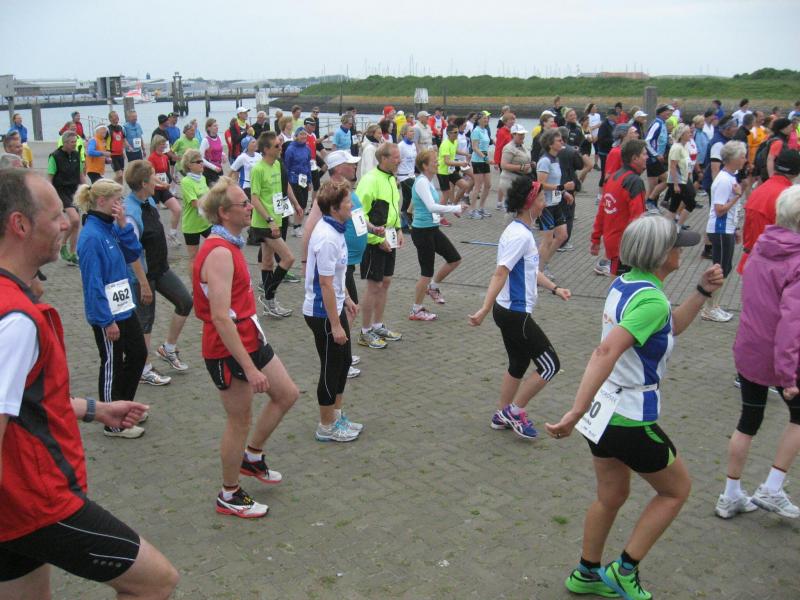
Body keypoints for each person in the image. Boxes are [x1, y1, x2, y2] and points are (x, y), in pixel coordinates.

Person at [0, 168, 179, 599]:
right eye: (56, 216)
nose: (67, 223)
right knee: (156, 581)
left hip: (15, 508)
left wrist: (97, 409)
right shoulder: (16, 319)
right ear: (20, 225)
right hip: (36, 502)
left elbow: (26, 403)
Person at [546, 213, 721, 600]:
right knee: (677, 490)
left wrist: (701, 292)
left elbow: (667, 326)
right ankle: (625, 570)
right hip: (629, 417)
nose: (681, 252)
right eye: (676, 246)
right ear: (660, 254)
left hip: (604, 414)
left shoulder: (626, 284)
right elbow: (606, 350)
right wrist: (575, 410)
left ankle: (587, 573)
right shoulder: (652, 299)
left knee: (610, 496)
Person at [193, 176, 299, 518]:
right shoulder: (219, 253)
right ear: (225, 213)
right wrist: (250, 369)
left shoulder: (232, 245)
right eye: (244, 204)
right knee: (239, 420)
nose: (251, 207)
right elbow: (219, 317)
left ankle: (252, 457)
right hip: (227, 348)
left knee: (287, 394)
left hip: (251, 335)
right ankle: (229, 493)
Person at [715, 186, 800, 520]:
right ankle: (772, 487)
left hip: (749, 348)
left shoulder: (761, 248)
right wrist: (788, 376)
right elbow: (792, 324)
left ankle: (730, 494)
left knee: (749, 420)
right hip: (781, 356)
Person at [468, 178, 570, 438]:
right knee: (550, 365)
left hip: (509, 311)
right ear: (528, 203)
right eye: (540, 199)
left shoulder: (520, 231)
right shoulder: (519, 236)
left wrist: (555, 289)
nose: (544, 203)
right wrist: (483, 308)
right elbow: (500, 272)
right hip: (514, 314)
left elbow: (530, 270)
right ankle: (514, 411)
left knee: (519, 362)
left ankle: (501, 414)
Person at [75, 178, 148, 439]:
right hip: (108, 314)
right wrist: (106, 321)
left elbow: (134, 253)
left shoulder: (111, 227)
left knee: (138, 353)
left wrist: (123, 225)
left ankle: (124, 407)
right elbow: (92, 283)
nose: (121, 205)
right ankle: (112, 422)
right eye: (117, 200)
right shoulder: (91, 236)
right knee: (112, 363)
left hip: (124, 306)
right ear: (102, 201)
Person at [302, 149, 374, 370]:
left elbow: (358, 216)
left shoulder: (347, 191)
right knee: (346, 310)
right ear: (339, 168)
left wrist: (373, 230)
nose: (355, 167)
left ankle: (344, 356)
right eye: (350, 164)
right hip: (337, 263)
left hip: (347, 260)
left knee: (349, 308)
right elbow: (309, 228)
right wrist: (305, 263)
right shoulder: (329, 195)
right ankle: (341, 357)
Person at [303, 180, 362, 442]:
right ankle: (326, 426)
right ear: (335, 208)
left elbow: (338, 275)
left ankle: (336, 416)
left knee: (344, 362)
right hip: (322, 313)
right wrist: (335, 324)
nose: (351, 205)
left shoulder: (337, 230)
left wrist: (346, 298)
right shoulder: (327, 237)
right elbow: (325, 284)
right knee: (331, 367)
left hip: (334, 307)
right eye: (348, 202)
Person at [124, 160, 193, 385]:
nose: (158, 180)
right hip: (142, 276)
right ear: (144, 183)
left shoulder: (149, 201)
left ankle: (168, 348)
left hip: (160, 269)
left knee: (185, 301)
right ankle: (143, 369)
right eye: (154, 176)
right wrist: (143, 284)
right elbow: (132, 253)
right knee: (145, 321)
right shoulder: (131, 212)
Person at [249, 132, 302, 318]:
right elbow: (254, 199)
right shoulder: (258, 169)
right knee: (288, 258)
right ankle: (268, 296)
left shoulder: (278, 164)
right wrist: (270, 221)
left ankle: (269, 304)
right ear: (266, 149)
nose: (281, 148)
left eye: (280, 145)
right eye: (277, 146)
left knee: (268, 262)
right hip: (264, 223)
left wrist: (295, 204)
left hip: (277, 218)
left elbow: (284, 186)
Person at [356, 143, 403, 348]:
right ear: (383, 158)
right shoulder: (370, 180)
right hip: (373, 241)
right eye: (395, 157)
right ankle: (365, 331)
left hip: (389, 237)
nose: (399, 160)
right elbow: (359, 214)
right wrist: (376, 239)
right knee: (373, 286)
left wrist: (399, 229)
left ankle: (378, 325)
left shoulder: (391, 178)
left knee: (385, 282)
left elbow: (394, 208)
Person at [409, 149, 465, 321]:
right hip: (422, 232)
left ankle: (433, 287)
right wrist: (455, 208)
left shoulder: (428, 181)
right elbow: (431, 206)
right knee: (426, 273)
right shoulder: (421, 182)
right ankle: (416, 310)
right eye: (434, 161)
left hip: (432, 229)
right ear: (425, 165)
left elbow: (417, 206)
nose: (438, 163)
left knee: (454, 259)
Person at [701, 141, 746, 322]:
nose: (744, 160)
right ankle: (708, 308)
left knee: (725, 268)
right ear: (733, 158)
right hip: (719, 229)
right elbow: (719, 209)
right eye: (742, 156)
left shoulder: (731, 177)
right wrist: (738, 196)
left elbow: (731, 209)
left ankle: (714, 305)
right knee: (719, 269)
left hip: (727, 228)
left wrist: (736, 228)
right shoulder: (724, 180)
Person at [737, 149, 800, 273]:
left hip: (751, 260)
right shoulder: (789, 197)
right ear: (796, 173)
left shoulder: (759, 190)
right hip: (772, 264)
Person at [591, 140, 648, 277]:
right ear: (634, 158)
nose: (647, 157)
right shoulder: (634, 182)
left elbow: (602, 212)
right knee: (621, 284)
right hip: (625, 246)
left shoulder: (613, 177)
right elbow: (638, 218)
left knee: (618, 281)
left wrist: (596, 239)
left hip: (613, 242)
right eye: (644, 154)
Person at [536, 129, 575, 280]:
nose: (562, 142)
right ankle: (537, 271)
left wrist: (564, 193)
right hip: (545, 205)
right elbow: (540, 184)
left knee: (562, 236)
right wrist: (563, 187)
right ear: (550, 144)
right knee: (547, 240)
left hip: (556, 202)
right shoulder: (545, 161)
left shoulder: (555, 159)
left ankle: (542, 264)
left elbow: (555, 182)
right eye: (559, 140)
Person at [48, 131, 84, 266]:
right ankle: (63, 244)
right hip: (61, 191)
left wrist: (87, 189)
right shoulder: (55, 156)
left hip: (74, 190)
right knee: (74, 219)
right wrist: (50, 194)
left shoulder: (76, 155)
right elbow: (50, 177)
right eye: (72, 142)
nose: (74, 144)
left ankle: (73, 253)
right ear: (65, 143)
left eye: (75, 142)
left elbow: (81, 175)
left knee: (76, 224)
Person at [180, 149, 212, 276]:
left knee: (216, 249)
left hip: (206, 223)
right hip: (191, 225)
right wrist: (212, 204)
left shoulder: (203, 178)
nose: (201, 164)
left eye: (202, 161)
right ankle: (195, 285)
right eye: (198, 162)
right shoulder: (186, 181)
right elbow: (194, 203)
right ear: (189, 165)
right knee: (193, 257)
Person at [147, 135, 181, 246]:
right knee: (155, 216)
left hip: (164, 188)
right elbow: (151, 176)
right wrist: (162, 184)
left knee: (177, 209)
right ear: (156, 145)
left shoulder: (165, 157)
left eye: (164, 144)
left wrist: (173, 179)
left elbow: (166, 172)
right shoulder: (151, 158)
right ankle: (154, 238)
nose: (163, 146)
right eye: (161, 144)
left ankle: (172, 234)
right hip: (154, 190)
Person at [664, 124, 697, 229]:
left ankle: (667, 228)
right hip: (678, 181)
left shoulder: (684, 146)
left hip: (684, 179)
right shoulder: (676, 148)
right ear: (681, 135)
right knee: (691, 203)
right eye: (688, 132)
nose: (690, 134)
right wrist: (675, 184)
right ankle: (678, 226)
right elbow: (673, 166)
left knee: (674, 206)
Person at [437, 124, 473, 216]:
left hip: (451, 171)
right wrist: (461, 163)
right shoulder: (445, 144)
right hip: (442, 172)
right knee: (446, 194)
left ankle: (454, 206)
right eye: (455, 132)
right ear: (449, 133)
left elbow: (455, 151)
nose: (457, 134)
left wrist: (466, 154)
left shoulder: (455, 141)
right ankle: (439, 217)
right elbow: (447, 161)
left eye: (458, 132)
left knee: (465, 186)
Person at [644, 105, 673, 208]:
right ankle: (650, 201)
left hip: (656, 158)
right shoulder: (657, 123)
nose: (669, 113)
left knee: (652, 187)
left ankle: (645, 208)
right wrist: (655, 154)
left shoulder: (662, 123)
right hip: (653, 159)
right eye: (667, 111)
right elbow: (647, 141)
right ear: (661, 112)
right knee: (668, 180)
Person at [499, 124, 533, 201]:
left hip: (521, 180)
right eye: (520, 134)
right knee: (512, 205)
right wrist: (521, 167)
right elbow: (503, 165)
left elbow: (524, 159)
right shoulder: (509, 148)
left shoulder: (523, 146)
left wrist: (531, 164)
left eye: (523, 134)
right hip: (510, 180)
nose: (522, 136)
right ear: (513, 135)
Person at [468, 112, 492, 219]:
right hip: (477, 160)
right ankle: (472, 210)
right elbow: (474, 148)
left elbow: (486, 146)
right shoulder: (476, 131)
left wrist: (487, 157)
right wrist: (485, 157)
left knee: (488, 185)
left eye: (487, 118)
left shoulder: (485, 130)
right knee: (478, 186)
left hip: (484, 159)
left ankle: (481, 208)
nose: (486, 120)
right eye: (484, 118)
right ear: (478, 120)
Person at [397, 123, 417, 230]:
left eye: (413, 131)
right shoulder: (400, 146)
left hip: (412, 175)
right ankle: (408, 216)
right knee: (417, 193)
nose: (413, 133)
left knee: (407, 199)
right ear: (404, 133)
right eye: (411, 131)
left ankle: (404, 223)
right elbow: (396, 161)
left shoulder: (413, 145)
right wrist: (395, 177)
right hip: (403, 176)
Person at [493, 112, 515, 209]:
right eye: (511, 119)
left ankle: (501, 202)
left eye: (514, 119)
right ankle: (501, 202)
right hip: (504, 160)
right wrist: (496, 161)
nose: (513, 121)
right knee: (505, 181)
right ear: (505, 121)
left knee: (508, 181)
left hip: (512, 160)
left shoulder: (512, 131)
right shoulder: (502, 132)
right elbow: (498, 147)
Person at [200, 118, 226, 185]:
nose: (217, 127)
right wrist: (213, 167)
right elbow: (201, 158)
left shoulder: (219, 137)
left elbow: (219, 151)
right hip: (209, 170)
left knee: (222, 188)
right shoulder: (205, 140)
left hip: (219, 168)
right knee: (214, 189)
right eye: (214, 126)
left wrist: (223, 155)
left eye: (217, 125)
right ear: (208, 128)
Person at [106, 111, 126, 184]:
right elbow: (104, 142)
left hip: (120, 154)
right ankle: (108, 185)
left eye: (117, 115)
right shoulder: (108, 129)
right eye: (114, 116)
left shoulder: (120, 128)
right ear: (110, 119)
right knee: (119, 175)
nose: (117, 117)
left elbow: (122, 140)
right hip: (113, 155)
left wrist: (124, 151)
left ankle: (120, 190)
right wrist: (107, 155)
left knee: (121, 176)